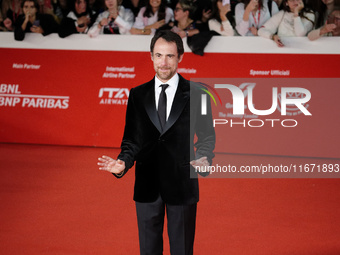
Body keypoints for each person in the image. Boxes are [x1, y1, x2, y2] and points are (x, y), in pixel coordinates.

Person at [98, 30, 215, 255]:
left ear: (180, 57)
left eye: (170, 56)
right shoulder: (137, 95)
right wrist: (123, 162)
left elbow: (207, 136)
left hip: (181, 185)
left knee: (182, 250)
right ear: (151, 56)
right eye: (159, 55)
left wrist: (204, 156)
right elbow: (132, 139)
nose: (163, 62)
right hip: (147, 186)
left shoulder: (198, 94)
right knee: (148, 250)